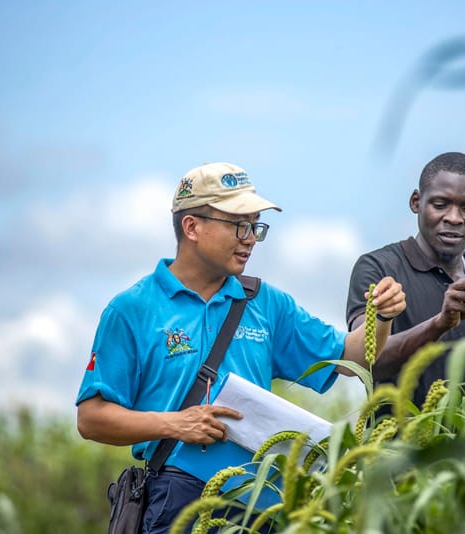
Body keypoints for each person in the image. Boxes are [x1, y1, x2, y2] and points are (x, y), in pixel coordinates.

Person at [76, 162, 407, 533]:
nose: (250, 238)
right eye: (239, 225)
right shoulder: (132, 310)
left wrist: (380, 316)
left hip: (260, 502)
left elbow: (351, 359)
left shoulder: (266, 304)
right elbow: (92, 418)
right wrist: (175, 423)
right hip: (176, 500)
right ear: (192, 227)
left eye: (255, 226)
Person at [345, 151, 465, 411]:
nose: (454, 218)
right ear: (416, 202)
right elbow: (366, 361)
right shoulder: (379, 268)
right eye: (440, 204)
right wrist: (440, 323)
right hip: (398, 449)